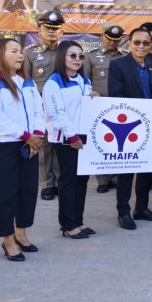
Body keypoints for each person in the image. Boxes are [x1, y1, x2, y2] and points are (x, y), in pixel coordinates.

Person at [0, 38, 45, 261]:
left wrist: (37, 134)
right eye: (14, 51)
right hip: (2, 146)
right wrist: (27, 136)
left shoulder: (27, 82)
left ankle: (21, 233)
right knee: (5, 194)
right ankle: (7, 239)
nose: (20, 55)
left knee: (27, 191)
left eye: (21, 51)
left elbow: (38, 111)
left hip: (29, 144)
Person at [108, 26, 152, 230]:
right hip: (129, 126)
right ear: (129, 43)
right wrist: (141, 109)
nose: (141, 46)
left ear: (151, 45)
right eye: (137, 42)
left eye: (146, 43)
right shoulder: (118, 65)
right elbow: (116, 95)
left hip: (151, 123)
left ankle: (141, 209)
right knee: (127, 170)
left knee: (147, 170)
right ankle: (123, 211)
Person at [43, 41, 97, 239]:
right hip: (66, 139)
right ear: (61, 57)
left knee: (81, 181)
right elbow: (57, 114)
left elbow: (85, 106)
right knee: (68, 180)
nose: (77, 59)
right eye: (72, 55)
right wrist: (72, 136)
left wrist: (94, 96)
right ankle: (67, 225)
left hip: (83, 138)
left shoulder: (84, 80)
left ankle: (78, 221)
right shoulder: (54, 82)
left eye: (80, 56)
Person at [23, 10, 63, 201]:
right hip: (41, 108)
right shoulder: (30, 53)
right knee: (45, 146)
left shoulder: (68, 52)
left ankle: (61, 181)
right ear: (39, 30)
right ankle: (48, 184)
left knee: (62, 144)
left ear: (61, 31)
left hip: (64, 108)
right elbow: (26, 84)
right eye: (48, 28)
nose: (52, 32)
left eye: (56, 29)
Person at [84, 23, 127, 194]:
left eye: (116, 40)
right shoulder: (91, 56)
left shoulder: (125, 56)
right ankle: (103, 179)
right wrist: (90, 94)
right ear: (102, 37)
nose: (112, 43)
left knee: (120, 141)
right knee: (101, 141)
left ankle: (116, 177)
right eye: (109, 39)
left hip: (120, 105)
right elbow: (85, 80)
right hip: (99, 105)